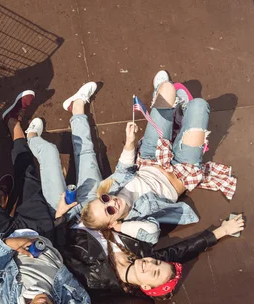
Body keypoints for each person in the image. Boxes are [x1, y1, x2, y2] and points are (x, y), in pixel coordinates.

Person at [0, 90, 138, 304]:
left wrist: (9, 245)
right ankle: (14, 123)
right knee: (28, 172)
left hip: (0, 238)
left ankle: (0, 196)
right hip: (41, 230)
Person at [27, 81, 244, 299]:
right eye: (157, 264)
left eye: (153, 272)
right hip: (96, 204)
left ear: (146, 288)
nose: (150, 265)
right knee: (87, 152)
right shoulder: (141, 250)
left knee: (49, 152)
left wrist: (59, 215)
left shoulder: (96, 280)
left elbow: (57, 249)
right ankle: (77, 106)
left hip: (64, 212)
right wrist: (221, 231)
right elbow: (181, 251)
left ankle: (30, 138)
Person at [79, 71, 237, 244]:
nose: (112, 202)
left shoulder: (111, 189)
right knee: (199, 106)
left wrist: (130, 143)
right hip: (181, 170)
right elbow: (152, 233)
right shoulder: (137, 219)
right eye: (109, 211)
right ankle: (179, 117)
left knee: (168, 88)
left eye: (104, 199)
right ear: (111, 223)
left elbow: (123, 167)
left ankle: (174, 113)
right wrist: (119, 228)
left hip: (151, 156)